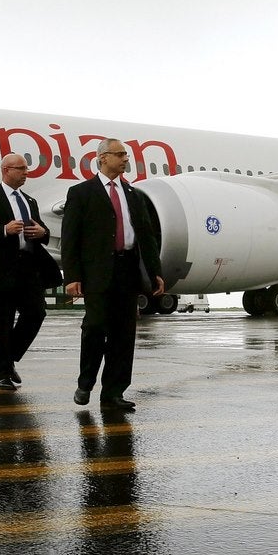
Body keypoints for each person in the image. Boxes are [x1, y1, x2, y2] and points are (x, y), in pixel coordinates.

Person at [62, 139, 163, 411]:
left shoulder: (134, 194)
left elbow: (147, 237)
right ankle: (86, 383)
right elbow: (71, 238)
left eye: (125, 155)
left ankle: (114, 393)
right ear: (103, 158)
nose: (125, 159)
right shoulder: (81, 193)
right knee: (94, 328)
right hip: (97, 273)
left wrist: (155, 272)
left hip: (127, 271)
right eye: (120, 155)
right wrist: (71, 276)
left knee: (123, 335)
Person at [0, 154, 62, 391]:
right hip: (1, 271)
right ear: (6, 170)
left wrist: (43, 233)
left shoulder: (29, 201)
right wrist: (4, 229)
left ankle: (9, 356)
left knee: (36, 314)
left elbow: (40, 232)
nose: (26, 173)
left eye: (26, 169)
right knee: (1, 323)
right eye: (21, 169)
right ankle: (1, 373)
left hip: (28, 270)